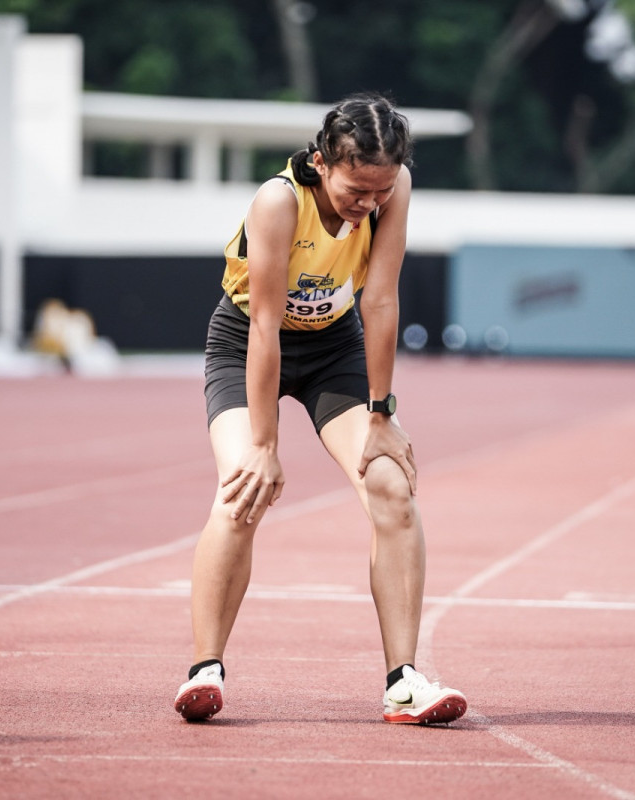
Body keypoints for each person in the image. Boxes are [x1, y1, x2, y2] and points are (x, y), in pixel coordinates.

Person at [172, 93, 467, 725]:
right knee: (242, 488)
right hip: (248, 340)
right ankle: (205, 668)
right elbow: (264, 328)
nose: (367, 206)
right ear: (321, 161)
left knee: (390, 486)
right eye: (355, 190)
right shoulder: (278, 202)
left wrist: (382, 416)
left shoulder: (395, 190)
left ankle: (403, 682)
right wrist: (264, 443)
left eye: (380, 193)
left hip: (335, 350)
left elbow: (381, 301)